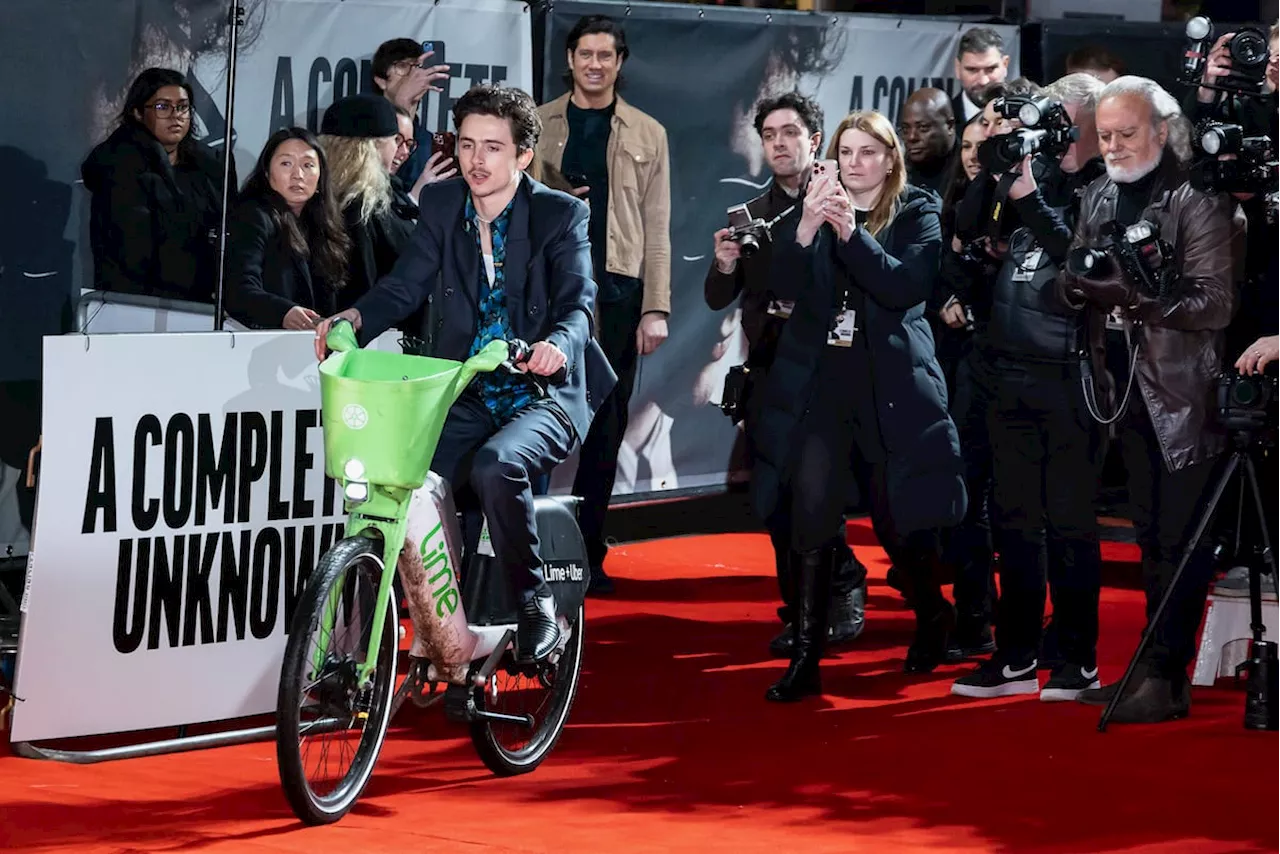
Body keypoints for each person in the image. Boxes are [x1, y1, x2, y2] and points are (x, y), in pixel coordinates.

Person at [313, 85, 617, 662]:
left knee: (496, 466)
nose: (478, 160)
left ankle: (535, 607)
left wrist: (556, 344)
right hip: (466, 386)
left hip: (543, 391)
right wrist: (355, 314)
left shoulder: (560, 213)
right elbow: (405, 286)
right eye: (469, 144)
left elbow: (578, 304)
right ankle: (352, 648)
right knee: (402, 484)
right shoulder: (443, 203)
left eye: (494, 148)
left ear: (523, 156)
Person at [752, 110, 966, 702]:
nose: (855, 163)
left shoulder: (918, 209)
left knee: (900, 523)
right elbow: (784, 287)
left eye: (869, 152)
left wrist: (851, 233)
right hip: (824, 384)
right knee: (811, 513)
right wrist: (804, 229)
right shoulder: (817, 203)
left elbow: (904, 287)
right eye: (847, 152)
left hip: (890, 384)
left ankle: (932, 614)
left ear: (891, 158)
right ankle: (807, 655)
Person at [1059, 76, 1245, 723]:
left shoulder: (1200, 200)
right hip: (1122, 388)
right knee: (1148, 537)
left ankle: (1166, 676)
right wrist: (1077, 286)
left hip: (1184, 395)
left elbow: (1215, 305)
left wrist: (1130, 297)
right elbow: (1074, 277)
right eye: (1104, 134)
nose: (1112, 145)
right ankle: (1149, 667)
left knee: (1180, 539)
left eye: (1126, 133)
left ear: (1162, 132)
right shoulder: (1100, 192)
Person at [949, 73, 1109, 701]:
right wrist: (997, 174)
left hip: (1069, 377)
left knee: (1069, 523)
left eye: (1066, 122)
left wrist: (1028, 197)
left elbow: (1086, 265)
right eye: (1049, 119)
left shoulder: (1105, 190)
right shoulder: (1028, 175)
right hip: (1003, 368)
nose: (1055, 134)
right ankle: (1015, 656)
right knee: (1012, 522)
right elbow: (965, 233)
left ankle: (1077, 660)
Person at [704, 91, 869, 657]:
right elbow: (717, 296)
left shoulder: (846, 203)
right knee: (773, 499)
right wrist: (724, 264)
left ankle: (838, 591)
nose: (779, 142)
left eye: (790, 132)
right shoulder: (749, 215)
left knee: (818, 492)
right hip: (770, 372)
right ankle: (801, 603)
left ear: (814, 140)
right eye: (770, 133)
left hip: (830, 369)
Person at [536, 15, 672, 595]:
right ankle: (523, 549)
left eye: (606, 55)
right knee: (531, 420)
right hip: (546, 291)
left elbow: (658, 224)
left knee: (605, 428)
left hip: (617, 295)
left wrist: (656, 307)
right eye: (585, 53)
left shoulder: (648, 132)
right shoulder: (536, 123)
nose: (595, 64)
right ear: (569, 59)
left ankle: (589, 552)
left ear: (620, 62)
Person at [81, 68, 233, 302]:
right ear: (138, 113)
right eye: (163, 107)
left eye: (183, 107)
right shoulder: (119, 166)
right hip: (137, 307)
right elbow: (131, 252)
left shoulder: (211, 166)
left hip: (203, 306)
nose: (176, 115)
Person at [224, 127, 351, 329]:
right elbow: (238, 290)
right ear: (266, 173)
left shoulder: (326, 225)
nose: (298, 175)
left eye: (308, 165)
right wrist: (283, 313)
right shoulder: (252, 215)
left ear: (320, 177)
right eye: (286, 163)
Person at [319, 95, 417, 308]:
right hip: (379, 334)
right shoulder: (362, 209)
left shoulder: (329, 201)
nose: (400, 150)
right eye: (395, 140)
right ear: (374, 147)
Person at [371, 37, 454, 196]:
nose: (413, 75)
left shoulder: (430, 144)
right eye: (402, 67)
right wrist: (403, 102)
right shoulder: (364, 133)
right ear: (381, 81)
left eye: (418, 67)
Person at [899, 88, 956, 196]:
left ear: (950, 126)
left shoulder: (971, 167)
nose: (912, 137)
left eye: (923, 128)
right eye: (906, 129)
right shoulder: (897, 173)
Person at [951, 27, 1011, 124]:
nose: (983, 81)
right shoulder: (941, 121)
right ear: (958, 68)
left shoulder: (1025, 116)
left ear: (1005, 65)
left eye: (991, 69)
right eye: (972, 70)